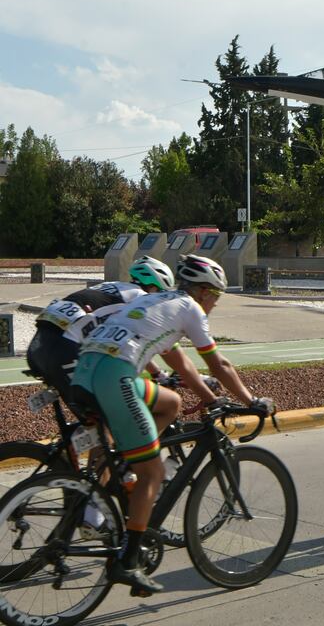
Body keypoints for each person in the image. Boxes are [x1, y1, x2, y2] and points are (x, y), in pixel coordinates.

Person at [70, 255, 273, 595]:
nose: (214, 305)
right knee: (150, 472)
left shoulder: (155, 301)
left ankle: (125, 465)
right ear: (205, 292)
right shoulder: (190, 309)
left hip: (85, 373)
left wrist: (209, 400)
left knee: (170, 402)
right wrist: (251, 401)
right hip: (114, 376)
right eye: (216, 298)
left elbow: (180, 364)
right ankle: (129, 562)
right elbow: (218, 363)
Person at [27, 256, 174, 404]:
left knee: (91, 414)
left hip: (37, 345)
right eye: (161, 293)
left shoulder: (115, 286)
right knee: (113, 405)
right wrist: (160, 375)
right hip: (62, 347)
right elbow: (141, 343)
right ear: (154, 287)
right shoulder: (141, 300)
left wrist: (156, 373)